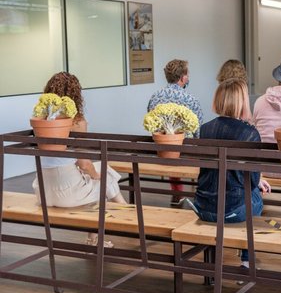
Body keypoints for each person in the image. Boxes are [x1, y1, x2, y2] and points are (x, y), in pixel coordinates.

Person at [32, 72, 127, 248]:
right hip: (67, 194)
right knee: (103, 177)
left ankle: (97, 235)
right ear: (76, 95)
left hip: (43, 192)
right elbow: (84, 163)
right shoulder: (76, 121)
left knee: (100, 174)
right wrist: (96, 175)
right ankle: (129, 215)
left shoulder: (40, 120)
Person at [193, 78, 271, 268]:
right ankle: (246, 259)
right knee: (255, 197)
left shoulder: (205, 129)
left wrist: (256, 179)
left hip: (203, 207)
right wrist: (258, 180)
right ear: (243, 102)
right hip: (232, 211)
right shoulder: (249, 133)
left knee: (247, 192)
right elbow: (251, 180)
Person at [147, 59, 204, 206]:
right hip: (188, 149)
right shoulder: (191, 99)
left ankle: (177, 192)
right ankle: (200, 192)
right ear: (183, 78)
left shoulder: (155, 97)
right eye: (188, 74)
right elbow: (198, 129)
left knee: (171, 146)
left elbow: (152, 123)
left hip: (164, 148)